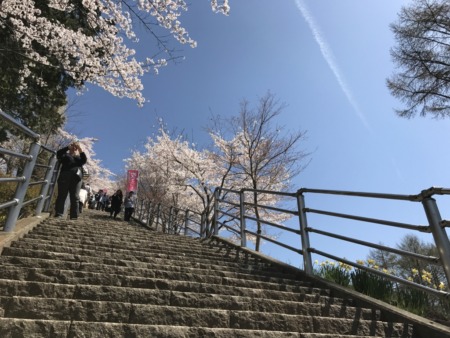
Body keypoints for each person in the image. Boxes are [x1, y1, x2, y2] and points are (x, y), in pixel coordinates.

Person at [54, 141, 87, 220]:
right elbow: (58, 153)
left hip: (76, 179)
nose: (74, 148)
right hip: (64, 176)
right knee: (62, 195)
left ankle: (74, 216)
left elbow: (84, 160)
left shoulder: (78, 158)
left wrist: (79, 148)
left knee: (75, 197)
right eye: (73, 146)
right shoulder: (65, 155)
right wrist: (67, 148)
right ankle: (59, 213)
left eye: (75, 147)